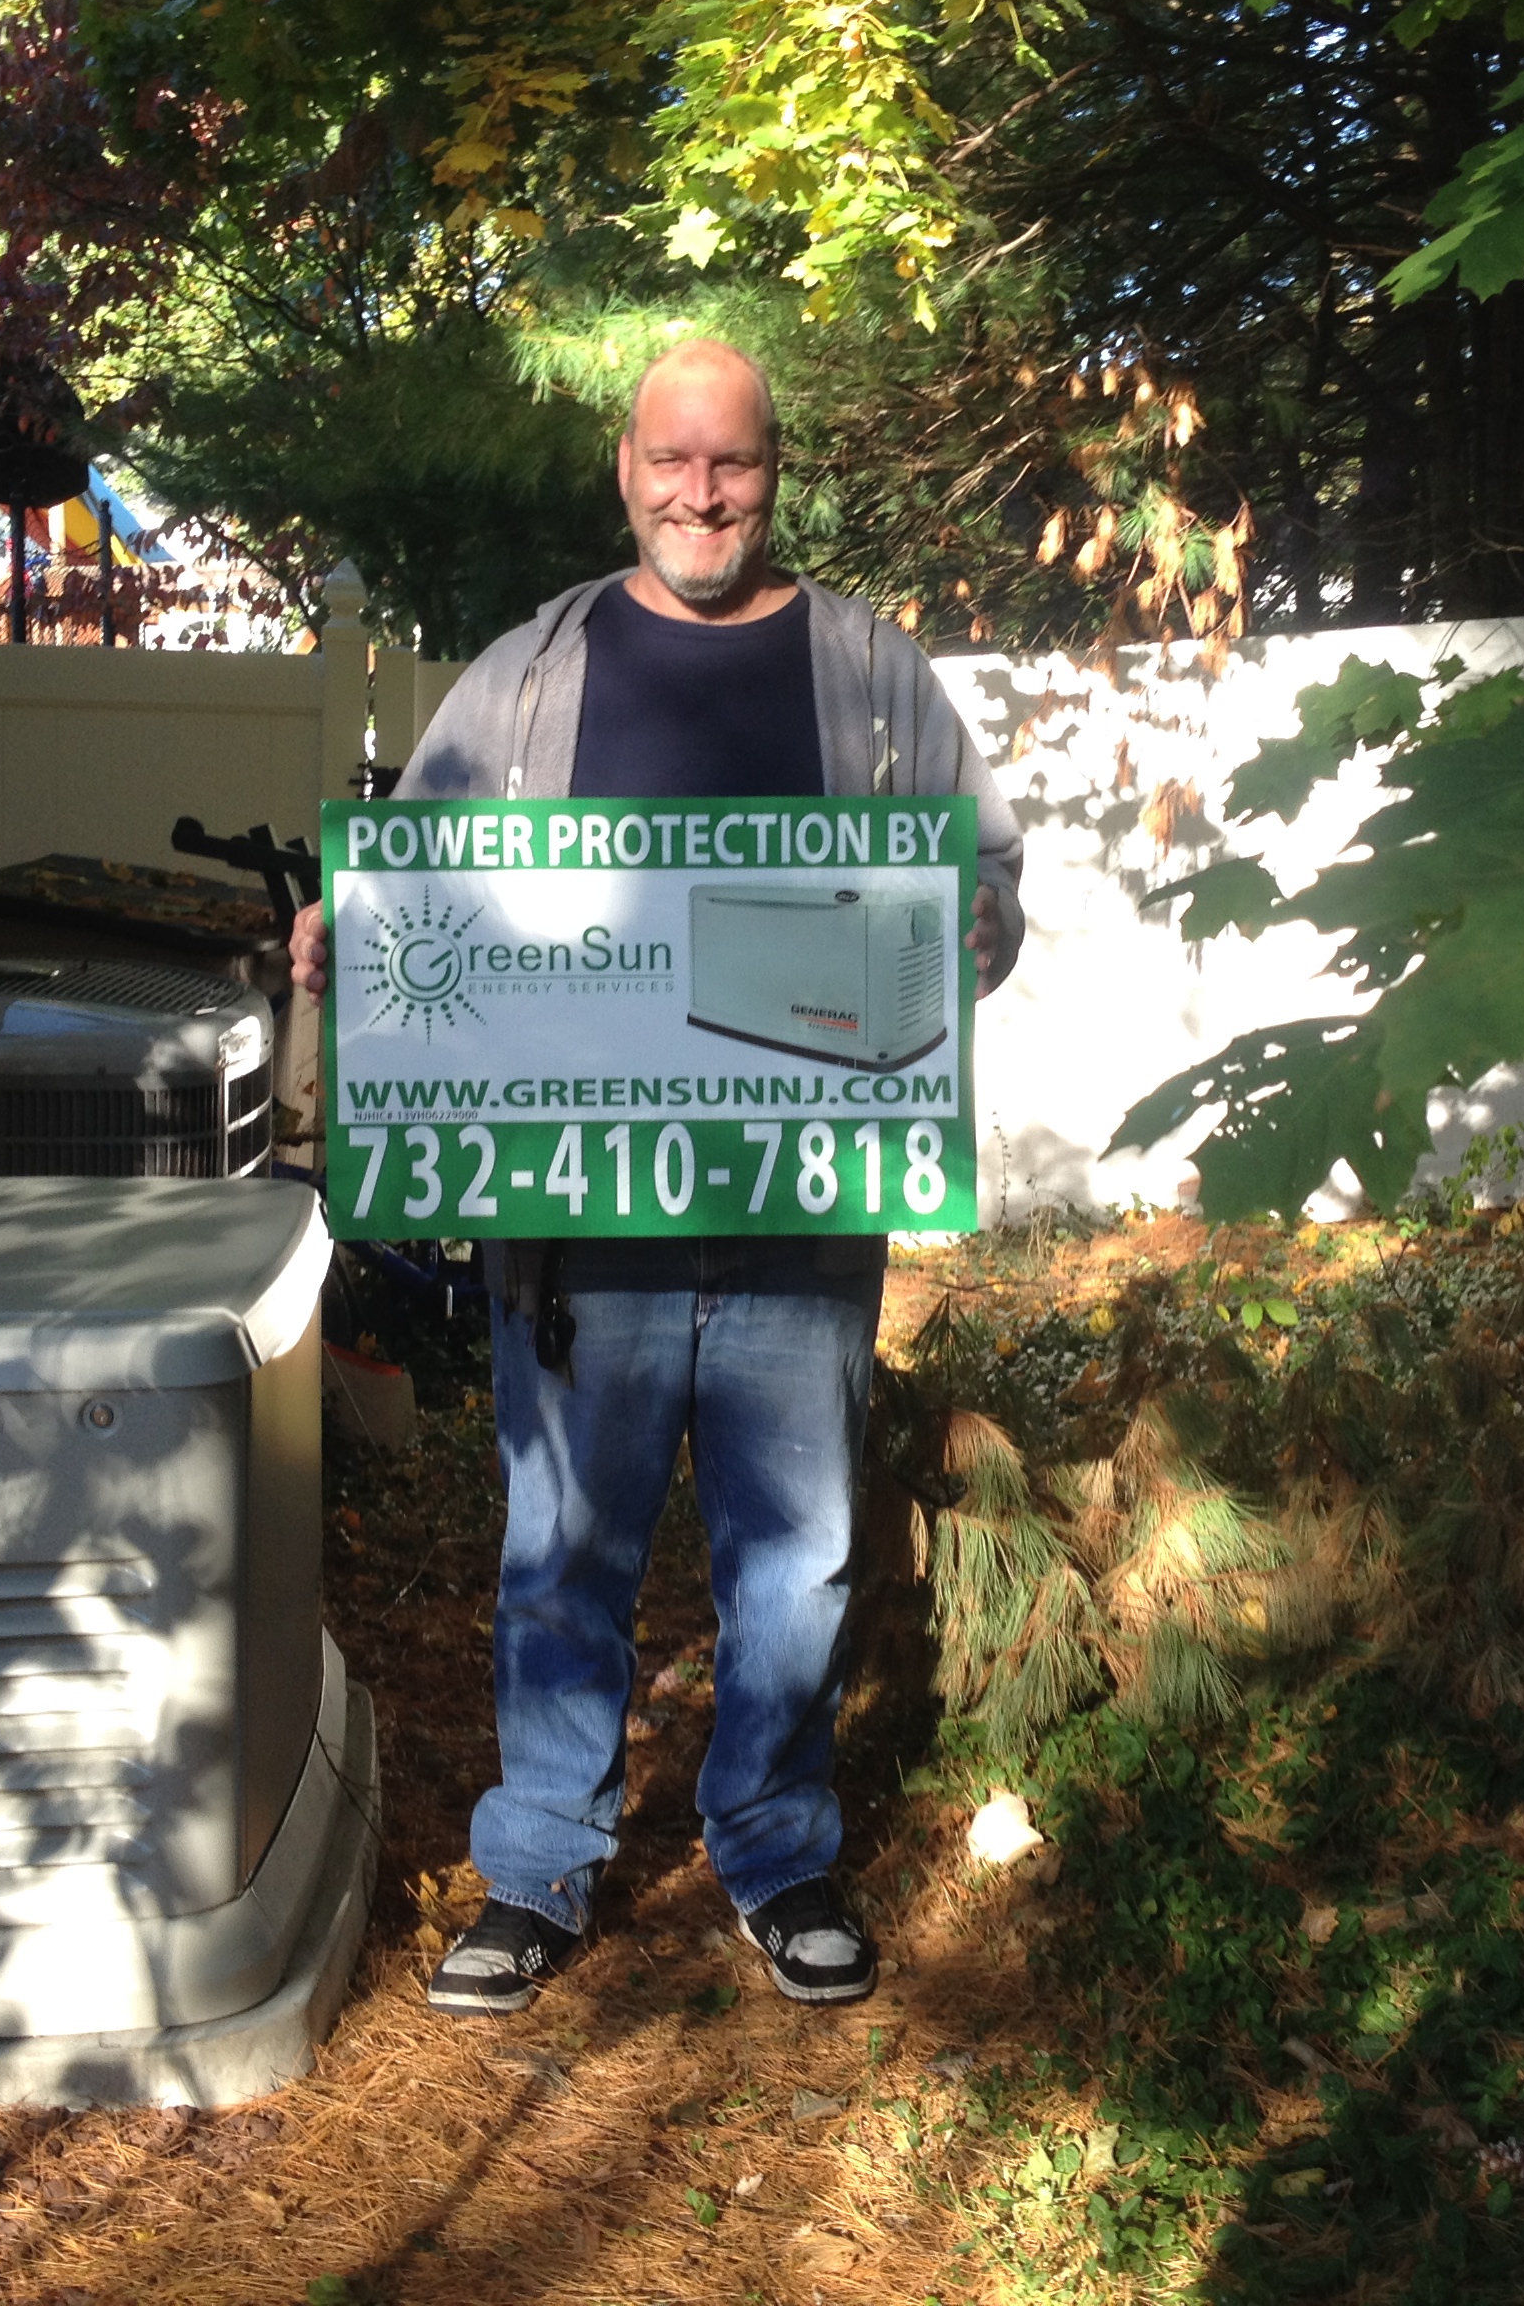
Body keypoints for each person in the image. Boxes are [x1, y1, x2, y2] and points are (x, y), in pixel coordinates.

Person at [292, 338, 1023, 2014]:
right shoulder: (527, 676)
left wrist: (981, 928)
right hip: (576, 1222)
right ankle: (542, 1864)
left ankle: (774, 1845)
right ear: (625, 467)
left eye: (738, 465)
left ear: (778, 473)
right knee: (564, 1551)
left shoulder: (870, 673)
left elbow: (978, 879)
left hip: (800, 1207)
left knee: (799, 1553)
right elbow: (424, 875)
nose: (706, 495)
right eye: (676, 462)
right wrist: (353, 937)